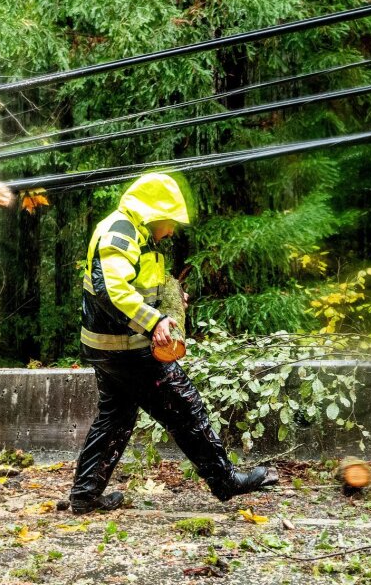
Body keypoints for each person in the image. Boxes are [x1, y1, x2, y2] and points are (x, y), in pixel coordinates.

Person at [68, 172, 277, 514]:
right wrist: (155, 321)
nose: (173, 230)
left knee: (116, 418)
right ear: (155, 213)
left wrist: (171, 303)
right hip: (127, 349)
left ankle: (85, 494)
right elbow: (112, 289)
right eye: (171, 222)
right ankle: (226, 481)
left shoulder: (133, 234)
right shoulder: (120, 232)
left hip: (111, 347)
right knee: (186, 407)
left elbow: (139, 286)